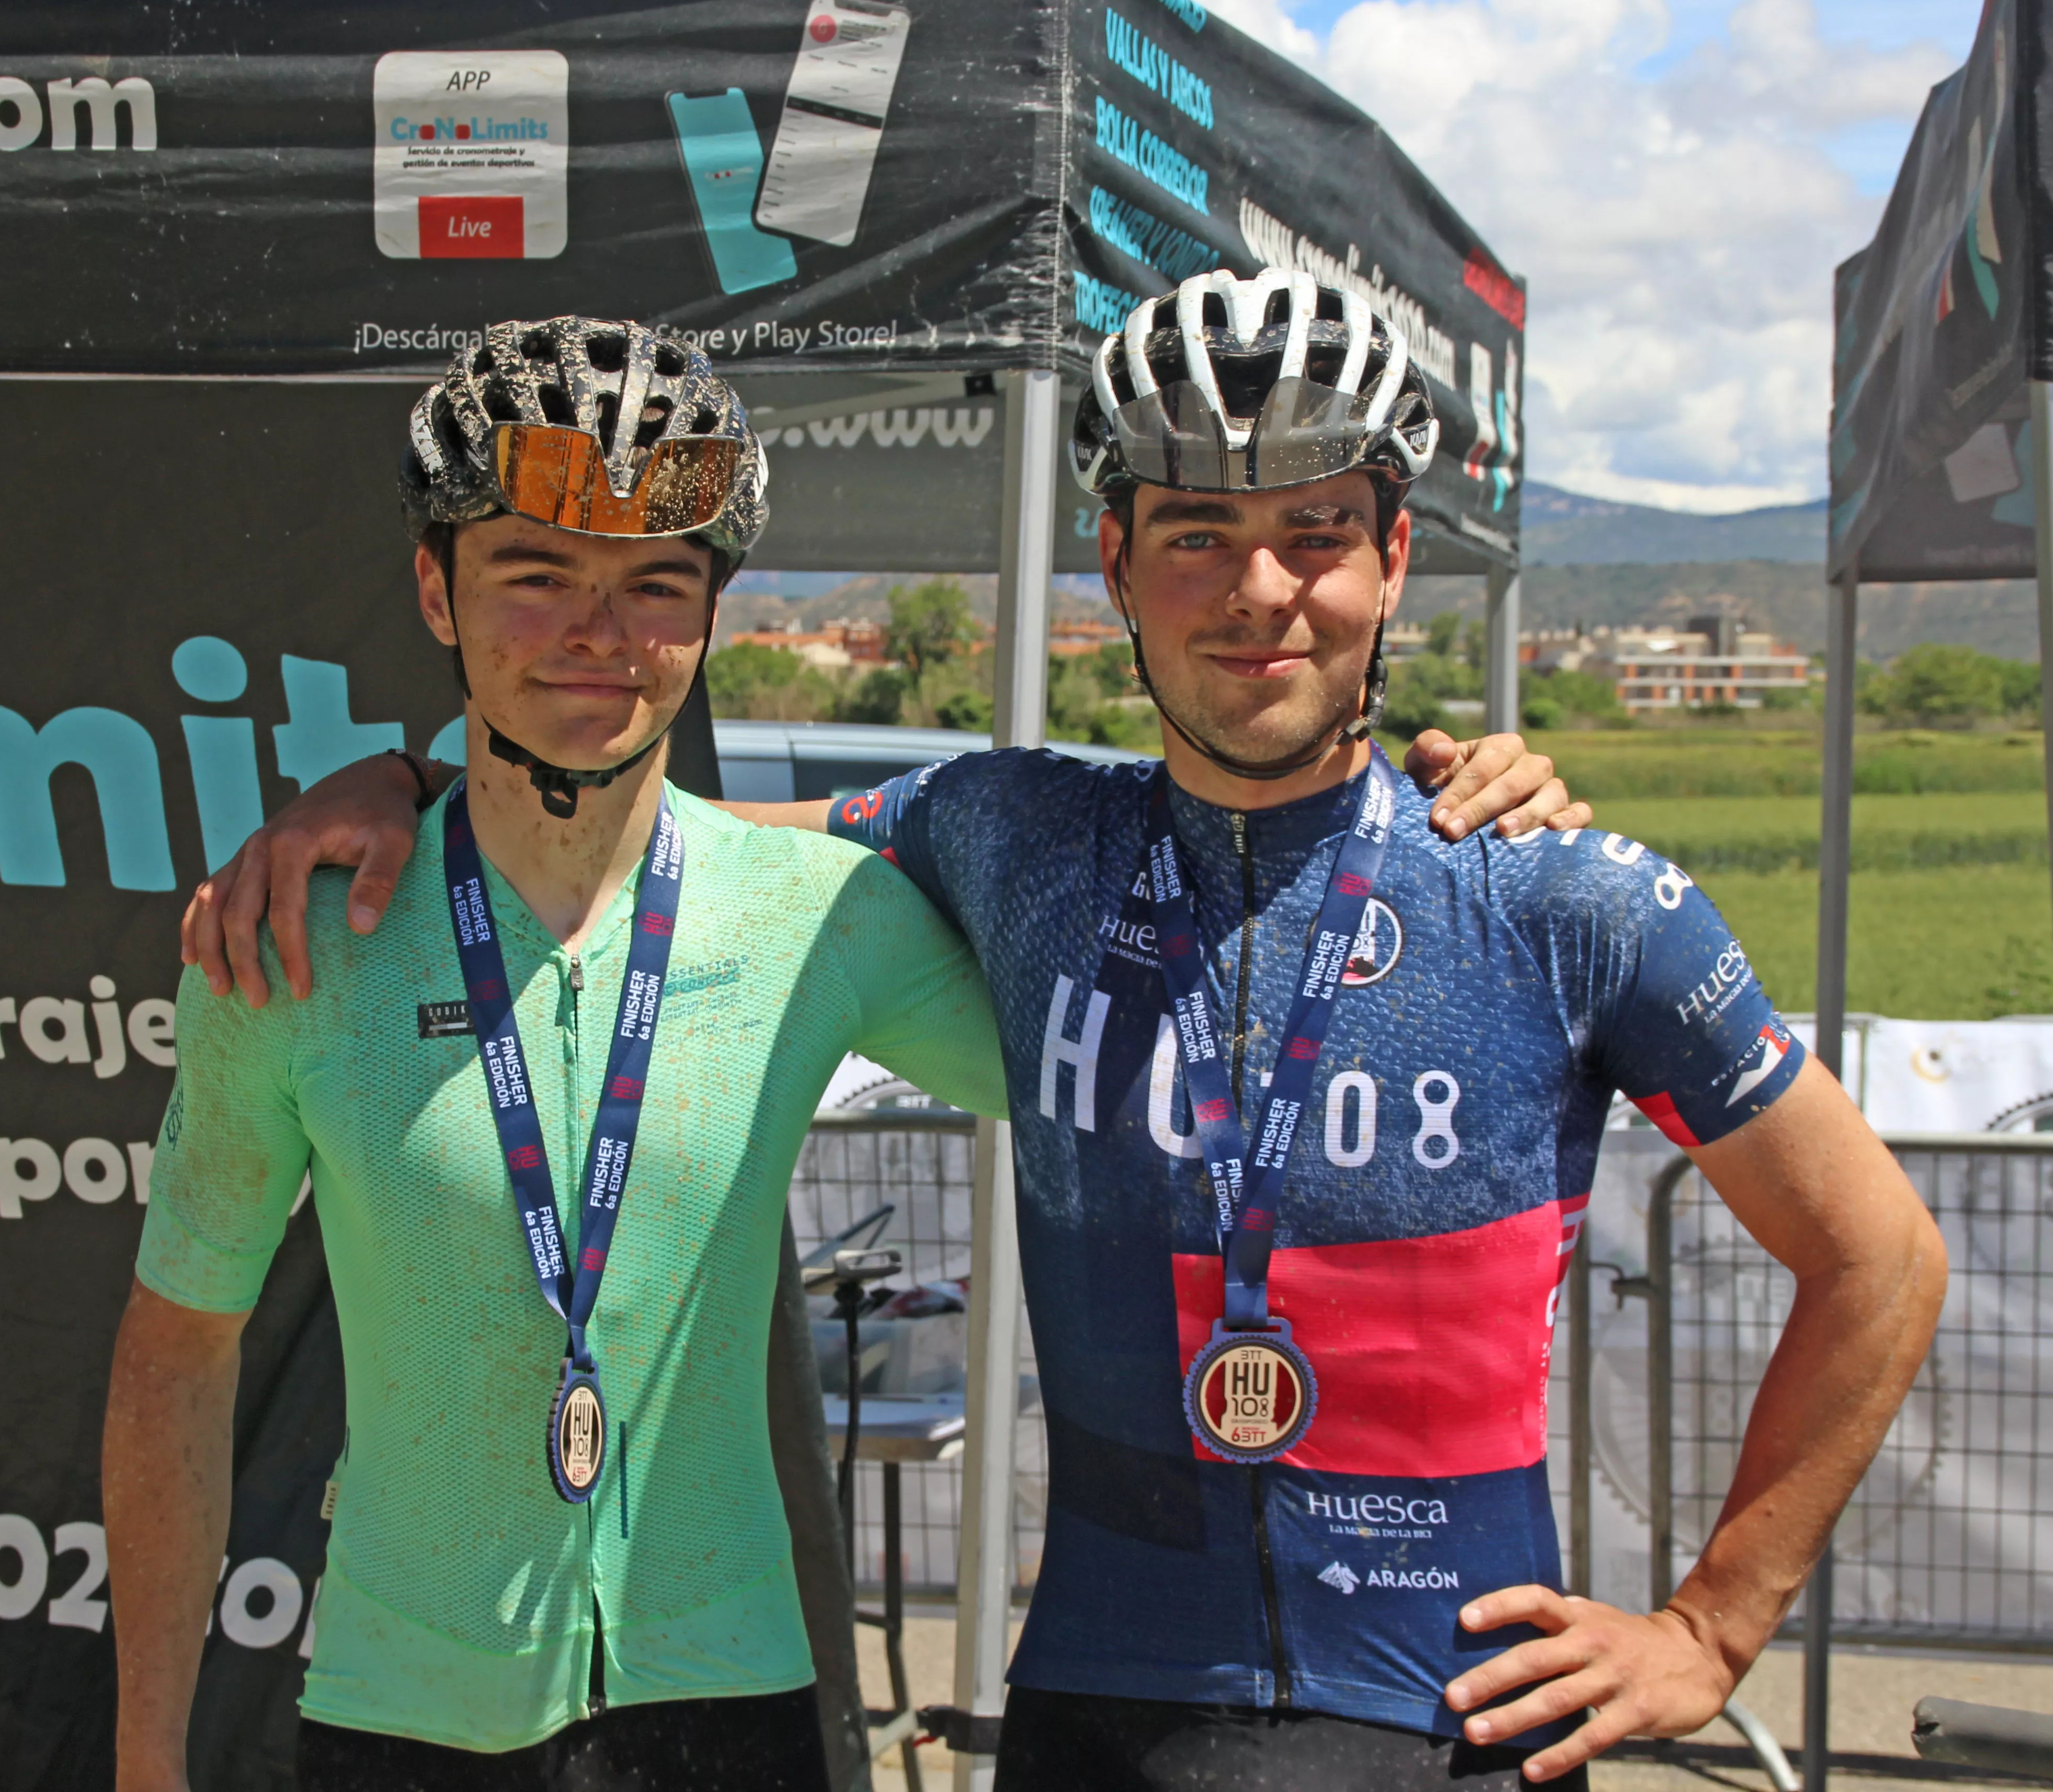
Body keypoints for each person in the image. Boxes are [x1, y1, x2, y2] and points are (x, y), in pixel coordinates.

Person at [181, 268, 1937, 1792]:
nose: (1261, 590)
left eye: (1317, 533)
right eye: (1198, 535)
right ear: (1115, 561)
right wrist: (404, 788)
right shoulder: (1012, 836)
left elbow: (1881, 1257)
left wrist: (1712, 1627)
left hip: (1449, 1722)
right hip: (1103, 1721)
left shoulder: (1559, 893)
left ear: (1397, 558)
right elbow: (649, 846)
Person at [104, 318, 1020, 1792]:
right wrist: (148, 1759)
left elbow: (1129, 1081)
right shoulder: (296, 941)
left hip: (732, 1709)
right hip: (403, 1719)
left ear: (712, 614)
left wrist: (1409, 805)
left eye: (654, 583)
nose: (597, 631)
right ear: (437, 590)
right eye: (535, 574)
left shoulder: (822, 919)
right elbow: (177, 1354)